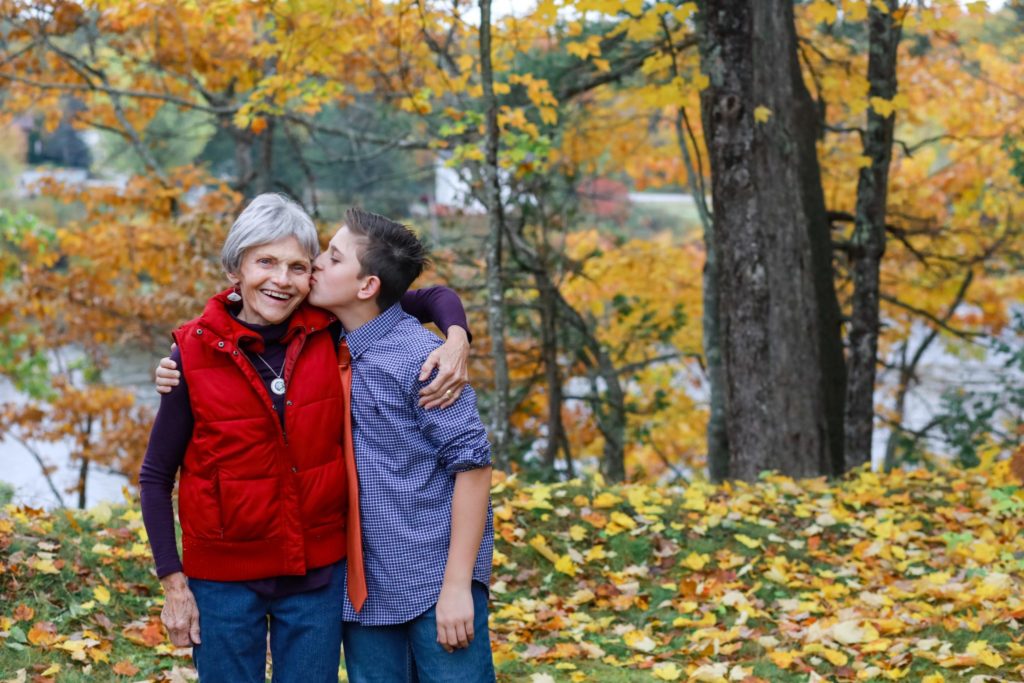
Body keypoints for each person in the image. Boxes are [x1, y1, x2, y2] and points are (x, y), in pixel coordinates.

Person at [140, 193, 472, 683]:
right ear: (236, 267)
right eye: (266, 262)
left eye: (298, 266)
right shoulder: (190, 352)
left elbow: (428, 297)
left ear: (312, 278)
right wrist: (173, 582)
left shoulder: (328, 330)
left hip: (316, 576)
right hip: (224, 579)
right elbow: (154, 476)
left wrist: (458, 336)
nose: (281, 279)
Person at [307, 208, 494, 682]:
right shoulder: (322, 339)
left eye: (331, 257)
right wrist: (179, 360)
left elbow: (473, 468)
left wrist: (457, 587)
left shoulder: (423, 361)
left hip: (433, 580)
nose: (315, 264)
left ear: (367, 286)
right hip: (362, 589)